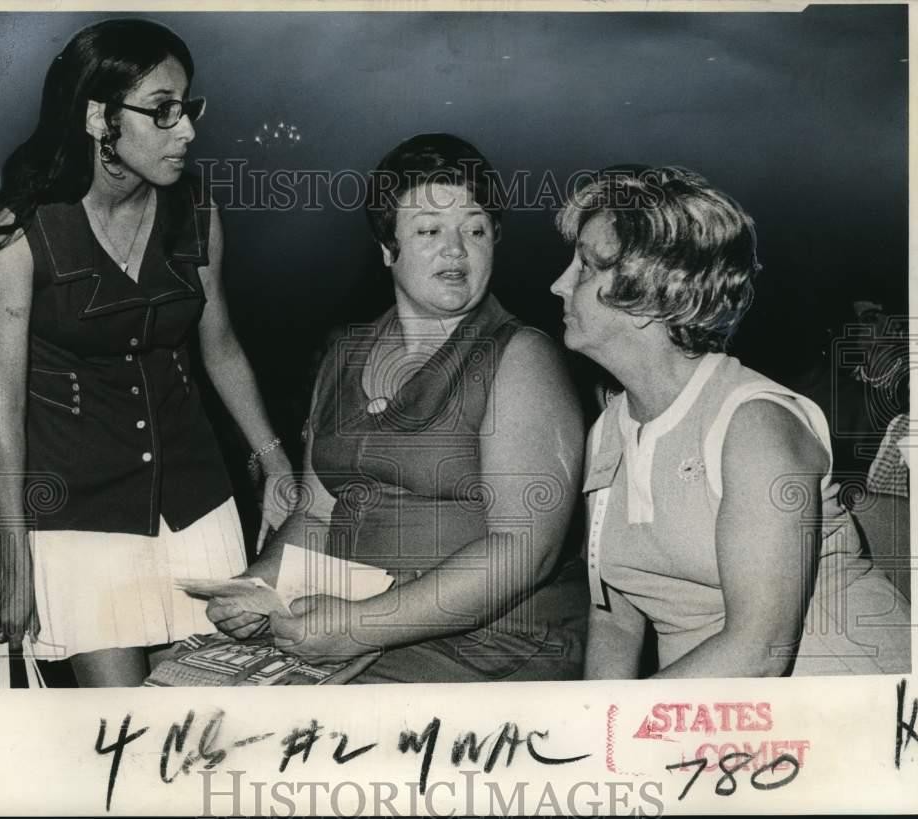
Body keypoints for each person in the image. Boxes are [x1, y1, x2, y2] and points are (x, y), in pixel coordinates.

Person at [0, 18, 293, 687]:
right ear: (98, 117)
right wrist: (14, 558)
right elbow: (3, 409)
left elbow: (223, 345)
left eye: (188, 108)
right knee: (121, 729)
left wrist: (275, 460)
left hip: (194, 500)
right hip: (79, 516)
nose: (188, 131)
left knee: (204, 717)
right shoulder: (19, 233)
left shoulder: (197, 213)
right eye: (163, 111)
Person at [209, 133, 590, 682]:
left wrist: (363, 626)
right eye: (430, 231)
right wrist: (258, 586)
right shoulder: (346, 354)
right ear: (388, 249)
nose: (456, 250)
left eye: (476, 230)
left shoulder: (521, 356)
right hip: (352, 627)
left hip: (490, 643)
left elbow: (522, 550)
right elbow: (316, 514)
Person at [550, 166, 911, 678]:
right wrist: (598, 733)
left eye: (586, 266)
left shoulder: (754, 425)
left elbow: (759, 652)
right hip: (702, 719)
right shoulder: (608, 430)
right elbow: (614, 621)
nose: (559, 284)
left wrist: (620, 726)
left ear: (652, 294)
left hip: (841, 701)